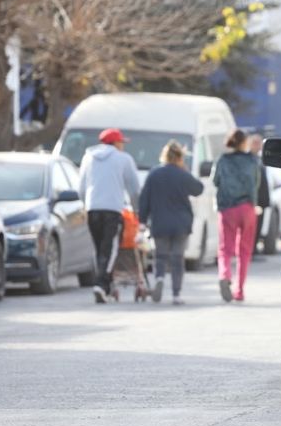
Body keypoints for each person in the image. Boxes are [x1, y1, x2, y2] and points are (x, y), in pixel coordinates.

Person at [78, 128, 140, 304]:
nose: (123, 146)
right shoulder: (123, 159)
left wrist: (85, 204)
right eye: (122, 142)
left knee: (99, 249)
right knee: (110, 248)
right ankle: (101, 284)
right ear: (116, 143)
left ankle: (106, 284)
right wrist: (136, 209)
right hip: (112, 209)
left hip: (92, 208)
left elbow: (81, 188)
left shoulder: (88, 158)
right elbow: (134, 188)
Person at [138, 140, 204, 305]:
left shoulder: (154, 174)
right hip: (181, 223)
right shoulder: (182, 174)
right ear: (180, 157)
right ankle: (176, 294)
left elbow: (144, 199)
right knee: (177, 258)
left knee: (160, 256)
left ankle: (159, 278)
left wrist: (142, 221)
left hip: (159, 222)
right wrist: (186, 171)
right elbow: (198, 189)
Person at [212, 129, 260, 302]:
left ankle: (225, 275)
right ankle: (239, 290)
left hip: (227, 208)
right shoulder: (252, 161)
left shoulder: (222, 160)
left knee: (225, 248)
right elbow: (256, 183)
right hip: (247, 208)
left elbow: (215, 181)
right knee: (244, 250)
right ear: (243, 142)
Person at [248, 133, 270, 257]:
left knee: (258, 226)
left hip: (261, 200)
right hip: (254, 200)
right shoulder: (249, 160)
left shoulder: (258, 159)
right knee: (253, 227)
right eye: (256, 144)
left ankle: (254, 249)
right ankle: (251, 250)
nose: (258, 147)